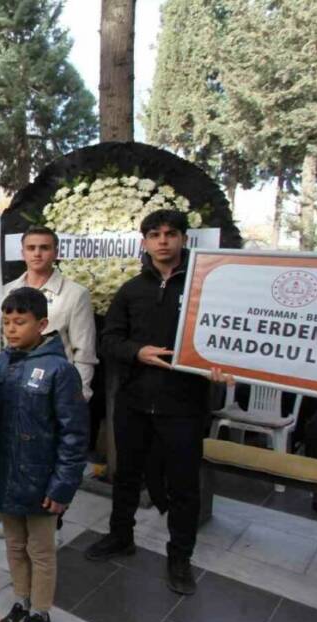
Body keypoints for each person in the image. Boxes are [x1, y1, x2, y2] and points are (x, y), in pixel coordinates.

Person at [84, 210, 232, 596]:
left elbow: (222, 341)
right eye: (154, 234)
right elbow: (108, 341)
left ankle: (180, 558)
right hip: (133, 401)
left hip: (183, 404)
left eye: (170, 233)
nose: (163, 240)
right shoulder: (131, 291)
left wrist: (221, 367)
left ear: (183, 239)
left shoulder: (205, 289)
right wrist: (137, 352)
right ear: (144, 242)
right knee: (126, 476)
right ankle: (121, 536)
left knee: (183, 486)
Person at [0, 287, 88, 622]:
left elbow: (74, 435)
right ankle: (20, 601)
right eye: (7, 321)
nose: (11, 329)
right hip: (7, 478)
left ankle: (40, 612)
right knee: (14, 545)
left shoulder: (60, 371)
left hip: (42, 483)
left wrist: (62, 488)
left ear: (42, 324)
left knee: (41, 550)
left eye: (20, 322)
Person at [0, 225, 96, 541]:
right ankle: (17, 511)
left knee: (48, 465)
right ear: (22, 252)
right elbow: (0, 342)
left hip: (54, 393)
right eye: (32, 247)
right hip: (14, 391)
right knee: (18, 460)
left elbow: (84, 352)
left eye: (45, 247)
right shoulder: (8, 289)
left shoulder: (75, 294)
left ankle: (49, 520)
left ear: (55, 252)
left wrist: (79, 397)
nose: (38, 253)